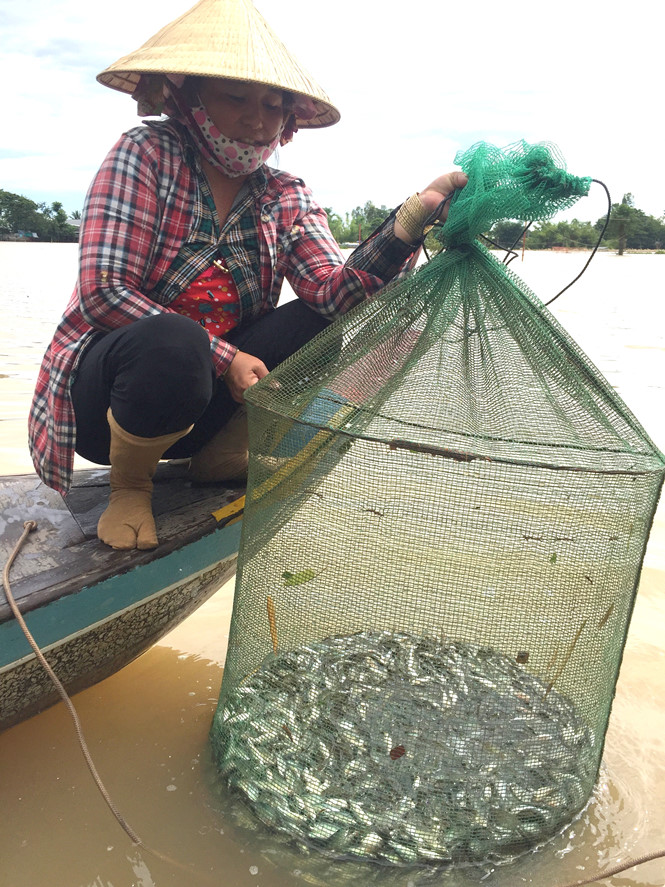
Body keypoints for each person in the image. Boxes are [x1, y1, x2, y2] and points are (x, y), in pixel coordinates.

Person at [28, 0, 467, 552]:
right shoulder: (144, 155)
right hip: (114, 404)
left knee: (318, 321)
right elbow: (102, 293)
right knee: (175, 339)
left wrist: (406, 226)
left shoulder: (285, 194)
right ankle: (131, 486)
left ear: (289, 119)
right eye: (236, 97)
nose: (257, 119)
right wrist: (224, 357)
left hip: (215, 404)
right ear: (188, 95)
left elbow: (333, 294)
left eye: (273, 104)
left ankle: (220, 455)